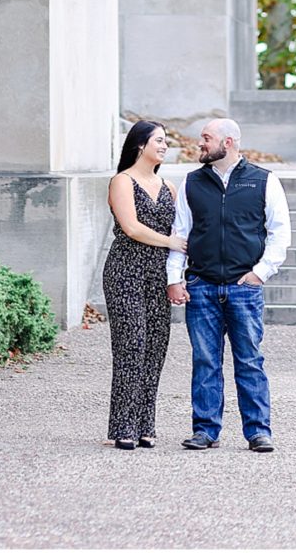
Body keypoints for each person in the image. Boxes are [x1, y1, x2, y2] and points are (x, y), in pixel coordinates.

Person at [166, 117, 291, 453]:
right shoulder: (192, 182)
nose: (200, 144)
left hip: (243, 288)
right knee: (205, 361)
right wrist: (174, 278)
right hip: (201, 286)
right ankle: (205, 430)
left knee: (249, 360)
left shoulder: (263, 181)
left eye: (206, 138)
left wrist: (260, 273)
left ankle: (258, 432)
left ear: (229, 142)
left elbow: (280, 233)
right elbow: (181, 234)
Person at [103, 120, 187, 450]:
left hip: (156, 275)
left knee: (155, 349)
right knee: (131, 346)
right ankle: (123, 425)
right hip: (125, 272)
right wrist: (170, 241)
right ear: (140, 144)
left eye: (166, 141)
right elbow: (132, 227)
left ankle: (145, 425)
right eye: (159, 141)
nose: (165, 146)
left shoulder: (168, 187)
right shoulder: (122, 181)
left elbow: (184, 228)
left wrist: (177, 274)